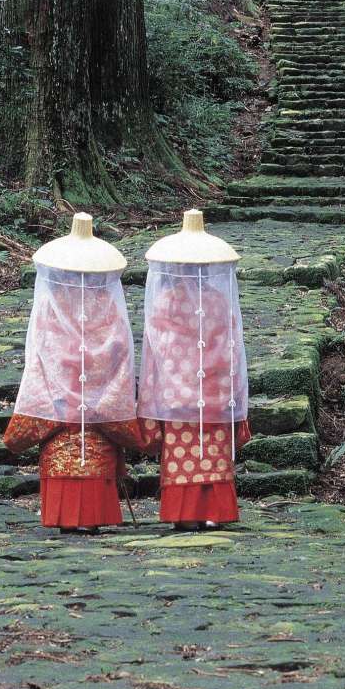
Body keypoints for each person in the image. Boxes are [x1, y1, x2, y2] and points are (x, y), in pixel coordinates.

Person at [1, 214, 147, 531]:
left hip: (59, 403)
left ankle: (69, 516)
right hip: (92, 400)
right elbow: (116, 345)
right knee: (93, 430)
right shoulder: (100, 306)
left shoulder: (55, 305)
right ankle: (88, 518)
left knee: (69, 430)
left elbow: (44, 348)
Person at [140, 210, 250, 529]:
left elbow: (159, 348)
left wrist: (158, 384)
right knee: (213, 451)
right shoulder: (218, 300)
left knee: (182, 452)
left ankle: (184, 513)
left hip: (176, 392)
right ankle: (214, 511)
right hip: (214, 390)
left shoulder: (164, 302)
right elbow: (230, 345)